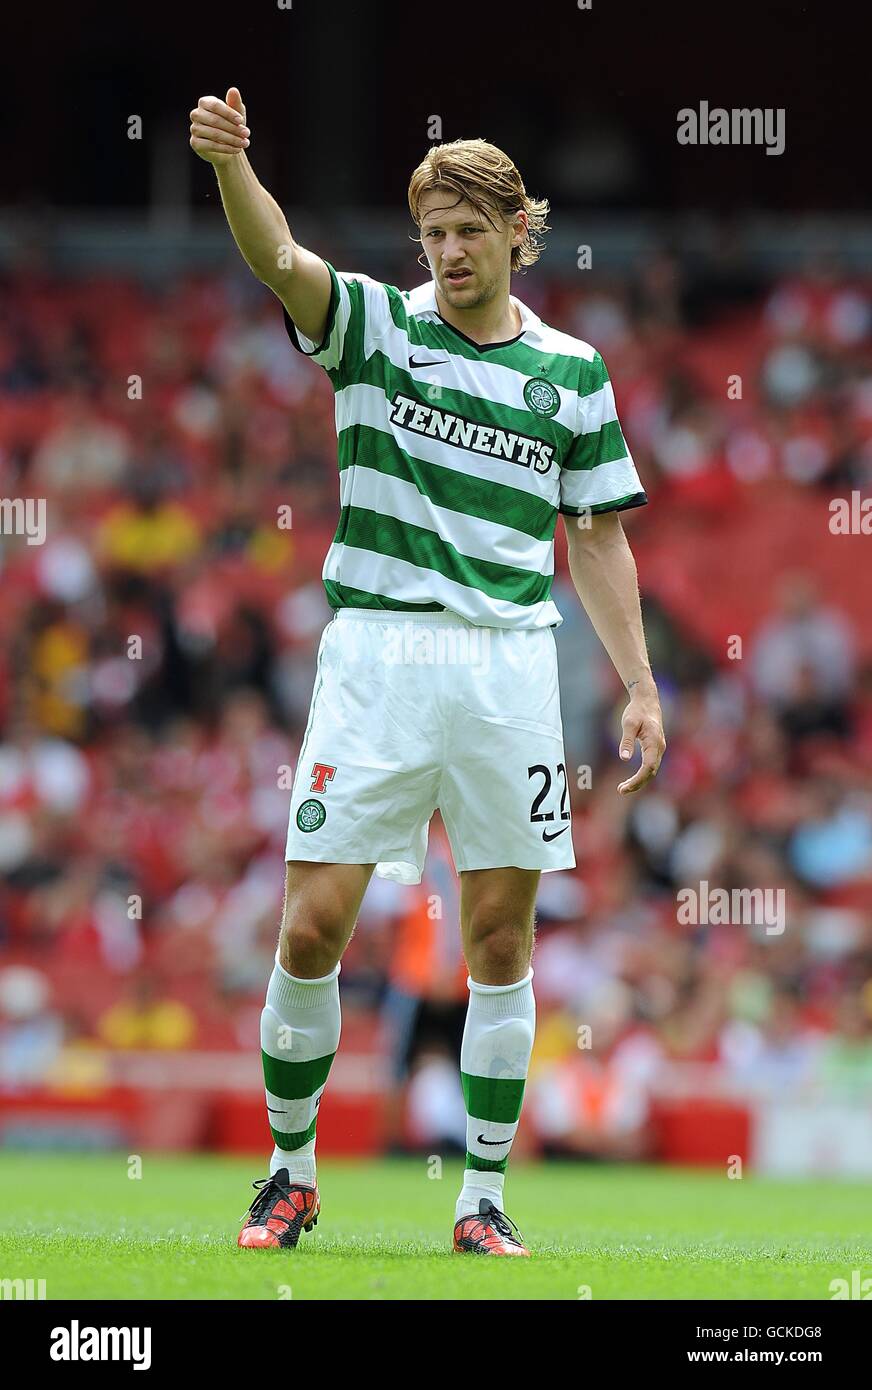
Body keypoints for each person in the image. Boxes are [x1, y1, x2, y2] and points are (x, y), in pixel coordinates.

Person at [190, 89, 666, 1257]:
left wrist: (640, 682)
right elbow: (278, 258)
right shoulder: (376, 328)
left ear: (517, 232)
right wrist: (231, 168)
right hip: (377, 652)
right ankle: (288, 1174)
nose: (448, 254)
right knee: (312, 924)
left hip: (509, 663)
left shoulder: (571, 373)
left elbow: (595, 535)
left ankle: (481, 1196)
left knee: (498, 940)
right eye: (433, 235)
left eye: (468, 232)